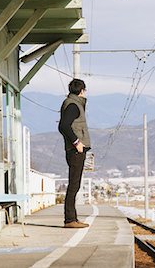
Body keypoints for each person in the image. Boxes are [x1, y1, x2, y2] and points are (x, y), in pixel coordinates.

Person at [58, 79, 91, 228]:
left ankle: (73, 218)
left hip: (74, 149)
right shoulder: (73, 105)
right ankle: (70, 220)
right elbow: (63, 126)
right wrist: (77, 142)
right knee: (74, 185)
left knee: (75, 184)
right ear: (82, 90)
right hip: (75, 150)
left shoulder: (73, 103)